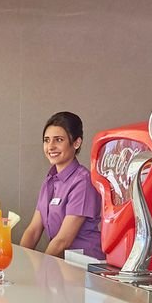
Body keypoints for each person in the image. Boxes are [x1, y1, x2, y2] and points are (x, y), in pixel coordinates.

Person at [20, 111, 104, 260]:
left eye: (58, 140)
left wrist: (42, 269)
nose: (50, 146)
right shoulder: (50, 180)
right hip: (61, 263)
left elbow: (63, 241)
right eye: (46, 140)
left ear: (76, 143)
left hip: (84, 266)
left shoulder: (83, 182)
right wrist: (19, 261)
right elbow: (33, 230)